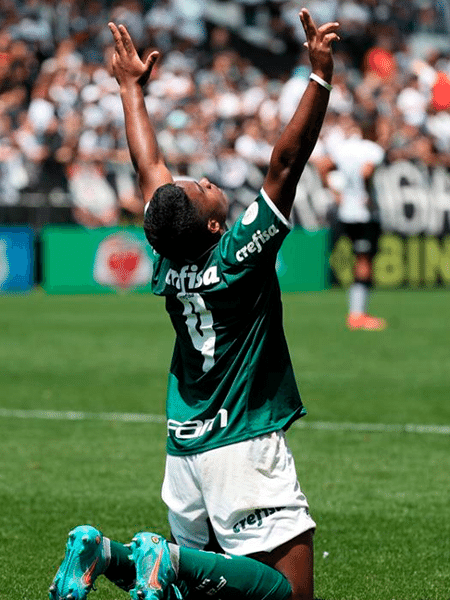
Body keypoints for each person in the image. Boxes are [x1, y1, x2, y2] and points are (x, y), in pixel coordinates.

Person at [49, 8, 339, 600]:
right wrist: (319, 75)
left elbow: (147, 167)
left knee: (213, 591)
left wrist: (130, 89)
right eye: (202, 186)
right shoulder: (235, 257)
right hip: (242, 444)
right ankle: (170, 562)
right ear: (211, 222)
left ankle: (110, 554)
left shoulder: (167, 257)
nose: (205, 178)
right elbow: (286, 162)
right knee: (287, 596)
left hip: (184, 445)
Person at [317, 114, 387, 330]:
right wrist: (366, 192)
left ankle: (356, 313)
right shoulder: (372, 149)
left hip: (345, 210)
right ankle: (358, 315)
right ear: (372, 130)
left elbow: (323, 165)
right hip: (363, 212)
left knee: (354, 257)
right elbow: (366, 172)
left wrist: (333, 191)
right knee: (364, 261)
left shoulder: (343, 147)